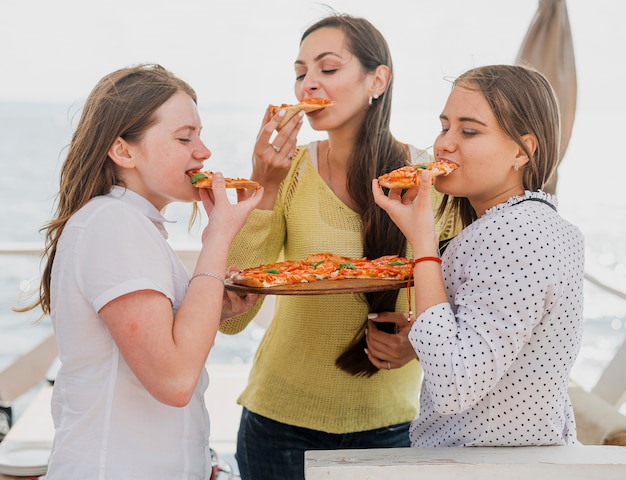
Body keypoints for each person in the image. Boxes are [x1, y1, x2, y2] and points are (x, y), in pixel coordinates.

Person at [220, 14, 457, 480]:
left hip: (393, 425)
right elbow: (235, 317)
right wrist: (264, 187)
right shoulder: (288, 174)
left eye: (327, 69)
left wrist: (416, 344)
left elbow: (457, 295)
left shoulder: (427, 178)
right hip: (278, 421)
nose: (309, 85)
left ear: (378, 79)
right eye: (300, 72)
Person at [20, 64, 264, 479]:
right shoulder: (113, 225)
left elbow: (151, 343)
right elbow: (173, 380)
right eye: (184, 137)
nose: (203, 151)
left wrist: (207, 307)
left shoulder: (126, 224)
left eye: (200, 136)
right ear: (124, 151)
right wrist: (218, 237)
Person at [372, 64, 585, 447]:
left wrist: (422, 240)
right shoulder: (539, 225)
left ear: (523, 152)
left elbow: (454, 385)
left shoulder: (516, 234)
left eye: (469, 131)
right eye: (444, 126)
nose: (444, 145)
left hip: (483, 465)